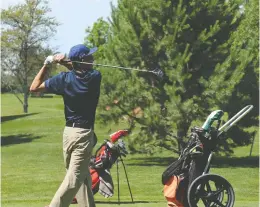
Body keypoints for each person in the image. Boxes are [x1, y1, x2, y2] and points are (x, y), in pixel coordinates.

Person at [30, 44, 102, 207]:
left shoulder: (63, 79)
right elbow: (77, 72)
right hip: (83, 135)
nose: (93, 60)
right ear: (82, 61)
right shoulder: (94, 77)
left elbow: (34, 87)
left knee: (82, 178)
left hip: (68, 134)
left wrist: (47, 64)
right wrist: (64, 62)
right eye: (90, 57)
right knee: (74, 179)